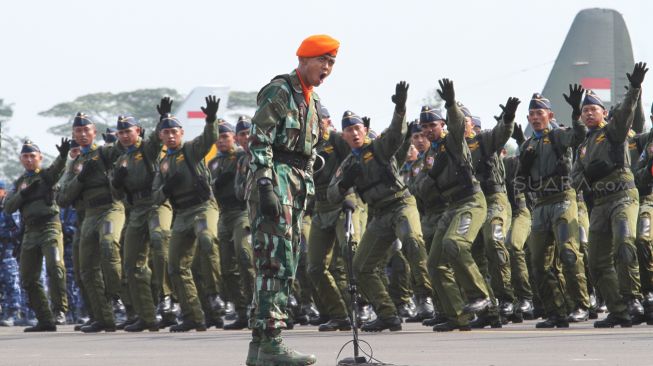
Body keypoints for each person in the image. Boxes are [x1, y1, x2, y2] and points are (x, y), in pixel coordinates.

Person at [245, 34, 339, 366]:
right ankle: (271, 341)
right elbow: (259, 139)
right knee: (275, 261)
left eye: (331, 62)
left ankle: (259, 346)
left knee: (284, 260)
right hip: (276, 182)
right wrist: (266, 184)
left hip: (295, 186)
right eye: (322, 61)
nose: (327, 68)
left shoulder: (311, 101)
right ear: (304, 60)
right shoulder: (282, 90)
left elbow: (308, 150)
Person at [328, 82, 433, 333]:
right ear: (343, 136)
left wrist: (400, 108)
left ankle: (427, 297)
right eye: (349, 131)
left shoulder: (378, 148)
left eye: (357, 128)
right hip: (379, 213)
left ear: (364, 130)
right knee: (361, 267)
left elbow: (396, 133)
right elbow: (332, 194)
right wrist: (344, 184)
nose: (354, 133)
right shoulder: (347, 163)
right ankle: (387, 314)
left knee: (412, 242)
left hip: (400, 203)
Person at [572, 62, 649, 327]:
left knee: (624, 245)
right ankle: (618, 309)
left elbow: (627, 112)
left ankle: (633, 298)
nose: (589, 114)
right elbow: (574, 177)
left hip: (623, 197)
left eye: (594, 109)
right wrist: (587, 176)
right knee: (595, 260)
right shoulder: (583, 146)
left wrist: (635, 89)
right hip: (600, 203)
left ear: (603, 113)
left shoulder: (613, 132)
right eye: (585, 111)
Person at [414, 79, 494, 332]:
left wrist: (450, 104)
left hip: (471, 200)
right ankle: (457, 315)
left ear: (442, 125)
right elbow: (417, 187)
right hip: (450, 206)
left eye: (433, 125)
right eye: (424, 126)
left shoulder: (453, 141)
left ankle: (479, 296)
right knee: (434, 263)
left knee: (455, 244)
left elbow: (458, 124)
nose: (428, 130)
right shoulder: (428, 156)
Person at [151, 96, 222, 332]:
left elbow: (209, 138)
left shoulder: (191, 150)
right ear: (160, 136)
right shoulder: (163, 163)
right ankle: (194, 316)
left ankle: (215, 295)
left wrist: (210, 119)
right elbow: (156, 197)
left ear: (181, 133)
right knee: (175, 266)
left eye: (174, 131)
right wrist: (166, 188)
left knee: (206, 239)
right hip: (181, 214)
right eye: (166, 132)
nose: (170, 136)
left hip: (203, 208)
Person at [58, 113, 126, 332]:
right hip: (89, 214)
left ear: (94, 132)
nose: (83, 134)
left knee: (108, 244)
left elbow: (122, 147)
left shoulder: (103, 153)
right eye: (78, 131)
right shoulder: (75, 164)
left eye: (87, 130)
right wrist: (80, 178)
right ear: (73, 135)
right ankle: (103, 318)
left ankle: (117, 296)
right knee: (86, 268)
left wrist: (120, 134)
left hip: (110, 208)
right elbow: (64, 196)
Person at [110, 112, 175, 332]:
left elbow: (158, 140)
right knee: (131, 263)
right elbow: (116, 195)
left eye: (128, 131)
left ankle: (168, 296)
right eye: (121, 132)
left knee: (160, 239)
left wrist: (161, 119)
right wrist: (116, 182)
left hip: (156, 203)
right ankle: (147, 316)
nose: (125, 136)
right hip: (136, 209)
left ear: (137, 130)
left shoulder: (147, 149)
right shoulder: (121, 159)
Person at [3, 139, 71, 331]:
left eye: (33, 156)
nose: (29, 160)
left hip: (50, 226)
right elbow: (8, 207)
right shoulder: (19, 183)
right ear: (21, 159)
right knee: (28, 277)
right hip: (30, 231)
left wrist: (63, 155)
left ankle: (59, 310)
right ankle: (44, 319)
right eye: (25, 156)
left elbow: (58, 168)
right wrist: (23, 195)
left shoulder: (47, 176)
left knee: (54, 267)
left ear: (40, 158)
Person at [208, 120, 255, 330]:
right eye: (217, 137)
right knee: (226, 267)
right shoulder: (213, 163)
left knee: (245, 257)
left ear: (232, 138)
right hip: (224, 214)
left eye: (225, 136)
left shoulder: (242, 156)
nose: (221, 141)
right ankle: (242, 310)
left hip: (241, 212)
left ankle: (257, 308)